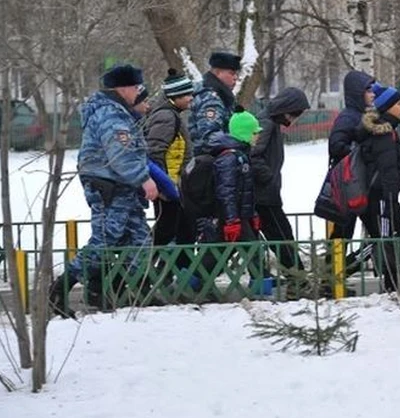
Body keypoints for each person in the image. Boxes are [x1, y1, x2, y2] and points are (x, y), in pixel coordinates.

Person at [49, 64, 158, 318]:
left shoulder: (119, 112)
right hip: (109, 187)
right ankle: (59, 290)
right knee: (105, 241)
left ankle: (119, 290)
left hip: (122, 187)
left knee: (140, 239)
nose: (138, 92)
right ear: (123, 88)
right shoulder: (111, 114)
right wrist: (144, 179)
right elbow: (120, 154)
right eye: (136, 87)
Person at [192, 107, 264, 295]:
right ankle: (260, 286)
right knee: (224, 251)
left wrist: (252, 214)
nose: (257, 137)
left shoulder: (240, 155)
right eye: (255, 132)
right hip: (230, 216)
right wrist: (232, 219)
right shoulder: (230, 158)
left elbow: (245, 191)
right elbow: (227, 192)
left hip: (239, 215)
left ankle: (196, 281)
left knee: (227, 251)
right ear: (244, 133)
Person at [251, 87, 310, 275]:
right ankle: (297, 277)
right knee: (281, 234)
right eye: (295, 115)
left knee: (281, 233)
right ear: (285, 110)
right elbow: (253, 155)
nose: (294, 120)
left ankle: (294, 275)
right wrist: (268, 178)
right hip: (263, 194)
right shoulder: (266, 123)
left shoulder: (270, 122)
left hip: (266, 191)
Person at [145, 69, 196, 281]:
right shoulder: (166, 117)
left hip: (175, 186)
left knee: (180, 229)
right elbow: (155, 152)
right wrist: (164, 187)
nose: (191, 98)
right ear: (173, 97)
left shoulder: (170, 115)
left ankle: (171, 273)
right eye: (186, 95)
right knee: (167, 230)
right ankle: (145, 271)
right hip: (169, 189)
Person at [325, 70, 376, 265]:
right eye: (368, 90)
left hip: (356, 183)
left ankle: (336, 273)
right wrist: (360, 153)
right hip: (348, 185)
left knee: (347, 232)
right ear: (358, 92)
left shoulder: (360, 115)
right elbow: (336, 146)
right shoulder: (349, 118)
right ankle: (334, 275)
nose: (372, 94)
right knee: (342, 233)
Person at [360, 84, 400, 292]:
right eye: (398, 103)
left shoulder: (388, 130)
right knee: (385, 239)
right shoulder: (384, 134)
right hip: (382, 197)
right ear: (387, 107)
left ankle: (393, 280)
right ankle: (393, 284)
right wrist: (389, 195)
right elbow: (386, 168)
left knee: (387, 237)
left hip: (386, 196)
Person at [189, 50, 241, 155]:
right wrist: (240, 143)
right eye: (231, 73)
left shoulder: (222, 95)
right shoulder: (211, 98)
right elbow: (210, 136)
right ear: (217, 73)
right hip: (210, 160)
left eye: (236, 74)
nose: (235, 78)